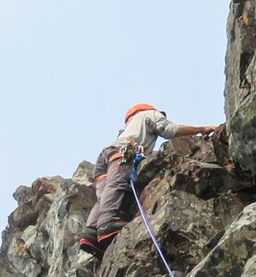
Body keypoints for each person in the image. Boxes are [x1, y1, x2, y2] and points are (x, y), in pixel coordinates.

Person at [74, 102, 220, 264]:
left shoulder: (126, 128)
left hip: (105, 157)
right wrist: (201, 129)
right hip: (122, 152)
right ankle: (107, 223)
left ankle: (91, 234)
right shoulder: (149, 114)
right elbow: (169, 129)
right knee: (117, 184)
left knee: (104, 196)